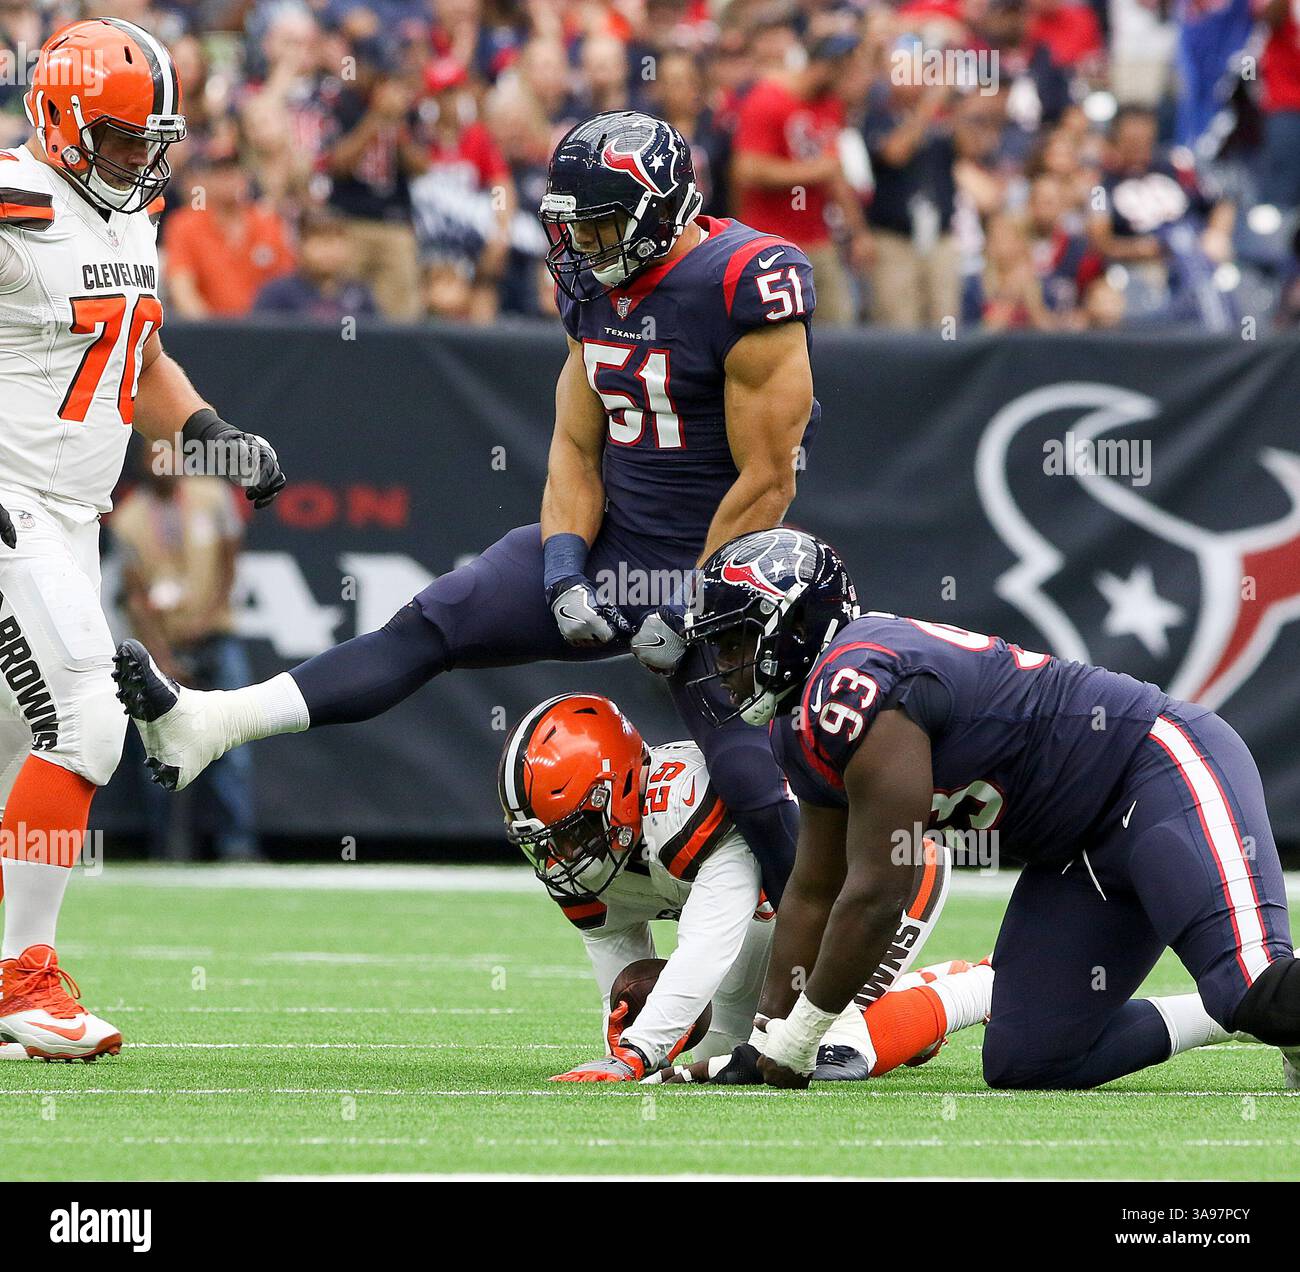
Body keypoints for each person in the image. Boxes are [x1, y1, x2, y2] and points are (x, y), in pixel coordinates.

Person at [113, 110, 819, 910]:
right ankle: (212, 724)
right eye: (574, 230)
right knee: (433, 622)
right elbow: (576, 449)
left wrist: (695, 610)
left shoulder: (744, 280)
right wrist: (561, 570)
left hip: (722, 569)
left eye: (603, 227)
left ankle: (841, 985)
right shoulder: (593, 283)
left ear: (663, 209)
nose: (584, 250)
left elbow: (770, 480)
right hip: (617, 545)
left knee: (749, 782)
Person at [679, 527, 1300, 1090]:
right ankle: (1228, 1017)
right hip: (1074, 851)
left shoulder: (855, 684)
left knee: (1256, 990)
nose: (723, 668)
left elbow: (878, 892)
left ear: (792, 625)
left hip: (1153, 769)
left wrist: (802, 1036)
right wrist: (764, 1033)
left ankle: (1257, 1010)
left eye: (733, 643)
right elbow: (814, 889)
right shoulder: (798, 722)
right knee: (1031, 1060)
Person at [0, 19, 284, 1061]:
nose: (141, 158)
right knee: (87, 717)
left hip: (67, 517)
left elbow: (139, 350)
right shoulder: (14, 202)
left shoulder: (128, 218)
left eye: (150, 140)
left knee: (18, 753)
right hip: (7, 503)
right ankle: (23, 980)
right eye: (121, 139)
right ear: (62, 123)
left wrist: (210, 435)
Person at [499, 692, 992, 1082]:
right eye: (547, 842)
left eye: (575, 832)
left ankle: (982, 987)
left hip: (882, 876)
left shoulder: (681, 812)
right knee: (735, 1057)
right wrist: (628, 1041)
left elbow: (708, 942)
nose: (563, 857)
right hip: (781, 917)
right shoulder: (585, 864)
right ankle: (895, 1002)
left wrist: (642, 1052)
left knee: (818, 1052)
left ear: (624, 787)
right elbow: (620, 967)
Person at [112, 458, 260, 862]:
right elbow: (136, 599)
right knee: (159, 750)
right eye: (153, 459)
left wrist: (211, 616)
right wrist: (159, 657)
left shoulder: (211, 495)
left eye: (168, 456)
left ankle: (237, 845)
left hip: (217, 635)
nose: (162, 467)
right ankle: (167, 849)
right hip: (164, 646)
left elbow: (231, 560)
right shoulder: (128, 520)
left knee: (234, 739)